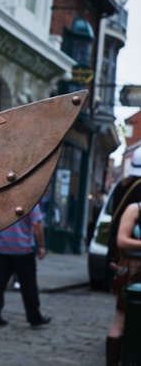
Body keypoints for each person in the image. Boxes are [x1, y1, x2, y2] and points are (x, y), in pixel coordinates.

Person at [104, 147, 141, 366]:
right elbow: (123, 236)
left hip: (119, 255)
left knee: (123, 315)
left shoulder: (123, 185)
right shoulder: (137, 194)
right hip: (130, 260)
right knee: (122, 316)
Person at [0, 204, 51, 327]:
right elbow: (37, 225)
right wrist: (41, 245)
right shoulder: (30, 200)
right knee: (29, 285)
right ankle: (34, 317)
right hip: (23, 249)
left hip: (3, 247)